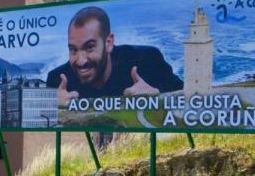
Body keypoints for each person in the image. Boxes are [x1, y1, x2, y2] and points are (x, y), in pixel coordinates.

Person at [46, 6, 183, 107]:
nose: (81, 61)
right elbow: (36, 117)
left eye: (89, 47)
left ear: (109, 42)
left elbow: (190, 97)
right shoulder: (57, 81)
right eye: (73, 50)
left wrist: (157, 95)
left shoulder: (147, 60)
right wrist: (51, 105)